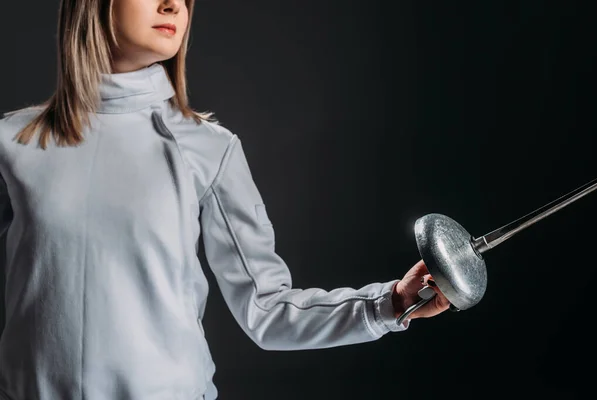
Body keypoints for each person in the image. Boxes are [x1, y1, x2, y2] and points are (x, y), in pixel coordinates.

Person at [0, 0, 450, 399]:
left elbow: (267, 308)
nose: (173, 5)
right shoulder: (10, 143)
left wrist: (390, 302)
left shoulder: (208, 147)